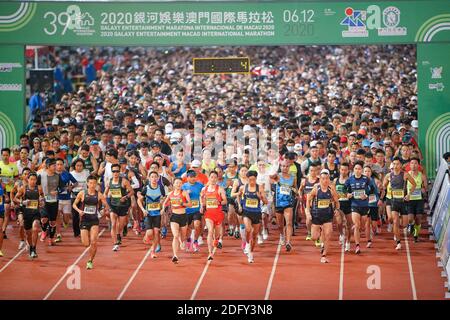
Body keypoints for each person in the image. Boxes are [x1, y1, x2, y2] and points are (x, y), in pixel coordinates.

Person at [73, 175, 110, 269]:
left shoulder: (99, 195)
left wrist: (103, 211)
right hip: (84, 220)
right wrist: (79, 211)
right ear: (87, 183)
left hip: (94, 220)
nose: (92, 185)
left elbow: (106, 206)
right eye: (90, 183)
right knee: (86, 244)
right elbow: (74, 205)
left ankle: (90, 260)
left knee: (93, 242)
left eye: (94, 183)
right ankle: (91, 249)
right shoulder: (82, 193)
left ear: (96, 184)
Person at [306, 169, 340, 263]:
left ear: (329, 179)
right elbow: (308, 200)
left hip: (328, 216)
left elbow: (337, 201)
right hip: (316, 215)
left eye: (326, 179)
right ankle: (319, 235)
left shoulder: (331, 189)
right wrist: (308, 212)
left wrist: (336, 210)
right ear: (320, 179)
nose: (325, 180)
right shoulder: (316, 189)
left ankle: (324, 254)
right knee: (314, 237)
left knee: (328, 234)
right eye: (323, 179)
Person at [381, 157, 416, 250]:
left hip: (403, 202)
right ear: (392, 165)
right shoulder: (389, 175)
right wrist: (383, 187)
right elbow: (383, 185)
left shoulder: (405, 175)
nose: (396, 166)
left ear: (401, 165)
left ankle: (404, 228)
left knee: (404, 224)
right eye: (394, 164)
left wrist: (409, 194)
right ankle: (398, 242)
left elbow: (414, 184)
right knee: (395, 221)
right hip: (393, 202)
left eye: (397, 164)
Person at [345, 161, 375, 254]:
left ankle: (357, 229)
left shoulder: (366, 179)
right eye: (356, 169)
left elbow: (372, 189)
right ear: (353, 170)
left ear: (362, 170)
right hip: (354, 205)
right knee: (357, 226)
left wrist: (366, 195)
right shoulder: (350, 179)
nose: (357, 171)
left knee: (362, 226)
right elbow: (343, 188)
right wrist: (348, 194)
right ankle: (357, 246)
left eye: (359, 169)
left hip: (364, 205)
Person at [238, 170, 268, 263]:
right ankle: (247, 244)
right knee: (248, 229)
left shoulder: (260, 188)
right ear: (247, 179)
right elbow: (238, 196)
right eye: (250, 180)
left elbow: (266, 202)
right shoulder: (243, 187)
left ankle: (251, 253)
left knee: (254, 235)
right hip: (247, 212)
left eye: (254, 180)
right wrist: (239, 205)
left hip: (256, 213)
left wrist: (261, 197)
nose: (252, 182)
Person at [104, 163, 134, 251]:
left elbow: (132, 192)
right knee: (113, 224)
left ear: (119, 171)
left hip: (123, 206)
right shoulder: (109, 181)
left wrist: (126, 197)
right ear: (112, 172)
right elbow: (105, 194)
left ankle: (118, 234)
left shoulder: (124, 181)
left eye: (117, 171)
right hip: (113, 205)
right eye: (114, 171)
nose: (115, 173)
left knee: (120, 225)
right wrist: (104, 204)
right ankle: (115, 243)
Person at [13, 172, 43, 259]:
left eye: (34, 179)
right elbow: (15, 198)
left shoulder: (39, 189)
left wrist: (41, 201)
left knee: (36, 227)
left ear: (36, 180)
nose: (33, 181)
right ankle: (31, 248)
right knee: (28, 233)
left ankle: (34, 248)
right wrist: (22, 202)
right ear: (28, 180)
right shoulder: (23, 189)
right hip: (27, 213)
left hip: (36, 213)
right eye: (31, 179)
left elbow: (42, 198)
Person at [162, 177, 191, 263]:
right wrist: (163, 209)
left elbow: (190, 204)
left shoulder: (184, 193)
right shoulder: (170, 194)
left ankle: (182, 242)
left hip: (183, 216)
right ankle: (175, 255)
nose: (178, 184)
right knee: (175, 235)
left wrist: (183, 203)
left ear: (182, 184)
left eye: (180, 183)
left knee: (183, 236)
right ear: (173, 184)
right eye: (177, 183)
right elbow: (165, 202)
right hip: (174, 216)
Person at [138, 171, 166, 258]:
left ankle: (153, 251)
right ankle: (146, 236)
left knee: (156, 232)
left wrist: (163, 208)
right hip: (148, 214)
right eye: (152, 177)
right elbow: (139, 200)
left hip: (157, 213)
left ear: (158, 179)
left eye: (155, 177)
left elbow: (164, 199)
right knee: (150, 233)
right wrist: (143, 210)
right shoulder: (146, 188)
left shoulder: (161, 188)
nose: (154, 179)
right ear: (149, 178)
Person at [271, 160, 297, 251]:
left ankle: (288, 242)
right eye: (282, 166)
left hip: (288, 203)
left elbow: (295, 188)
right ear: (280, 167)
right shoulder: (277, 176)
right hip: (278, 203)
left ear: (289, 167)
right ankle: (282, 235)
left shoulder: (293, 177)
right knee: (280, 225)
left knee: (289, 223)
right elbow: (270, 177)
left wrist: (295, 191)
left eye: (286, 166)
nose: (284, 168)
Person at [200, 171, 227, 261]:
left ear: (217, 179)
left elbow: (225, 201)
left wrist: (218, 202)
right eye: (211, 177)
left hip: (218, 214)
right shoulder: (204, 189)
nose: (213, 179)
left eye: (215, 177)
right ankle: (210, 253)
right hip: (209, 214)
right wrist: (201, 206)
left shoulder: (220, 189)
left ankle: (216, 240)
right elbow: (201, 199)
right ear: (209, 178)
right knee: (210, 231)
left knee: (217, 234)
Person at [38, 158, 64, 246]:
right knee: (44, 219)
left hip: (54, 201)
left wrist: (57, 192)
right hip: (44, 200)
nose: (55, 167)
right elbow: (36, 185)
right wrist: (40, 192)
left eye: (56, 165)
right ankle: (44, 231)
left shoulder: (57, 176)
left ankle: (51, 239)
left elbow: (62, 188)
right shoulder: (41, 175)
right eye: (54, 165)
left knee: (53, 221)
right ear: (48, 166)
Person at [55, 158, 78, 242]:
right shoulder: (52, 175)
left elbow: (76, 183)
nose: (59, 166)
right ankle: (58, 234)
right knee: (57, 216)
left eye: (61, 164)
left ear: (63, 165)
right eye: (58, 164)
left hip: (67, 199)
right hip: (56, 199)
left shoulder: (67, 174)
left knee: (66, 219)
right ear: (55, 165)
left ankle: (65, 222)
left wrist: (71, 187)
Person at [182, 170, 204, 253]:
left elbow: (203, 196)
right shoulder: (184, 186)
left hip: (196, 209)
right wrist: (185, 193)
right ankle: (188, 240)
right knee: (187, 228)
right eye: (191, 177)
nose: (193, 178)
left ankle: (195, 241)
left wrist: (202, 206)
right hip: (187, 210)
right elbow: (180, 196)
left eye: (194, 176)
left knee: (197, 224)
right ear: (187, 178)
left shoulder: (200, 185)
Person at [406, 158, 427, 242]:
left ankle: (416, 234)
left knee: (418, 218)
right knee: (410, 218)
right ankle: (410, 224)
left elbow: (425, 187)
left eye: (415, 163)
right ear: (409, 165)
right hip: (410, 199)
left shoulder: (422, 175)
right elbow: (403, 186)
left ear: (418, 165)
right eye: (412, 163)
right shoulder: (407, 175)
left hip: (419, 200)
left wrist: (424, 189)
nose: (413, 165)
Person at [0, 148, 19, 239]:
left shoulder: (14, 166)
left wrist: (12, 181)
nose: (5, 157)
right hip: (0, 192)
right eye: (3, 155)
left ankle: (3, 230)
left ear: (9, 155)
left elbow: (16, 178)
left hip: (9, 191)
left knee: (7, 211)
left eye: (7, 155)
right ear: (1, 155)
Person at [299, 162, 320, 243]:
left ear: (317, 171)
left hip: (316, 204)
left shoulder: (319, 181)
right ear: (309, 171)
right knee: (308, 219)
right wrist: (300, 196)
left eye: (315, 171)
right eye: (311, 170)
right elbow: (300, 190)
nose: (313, 172)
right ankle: (309, 233)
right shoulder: (305, 181)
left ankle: (317, 235)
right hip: (306, 203)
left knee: (316, 220)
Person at [334, 162, 352, 251]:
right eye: (342, 170)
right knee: (339, 222)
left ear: (348, 171)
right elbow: (333, 192)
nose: (343, 171)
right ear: (339, 170)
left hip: (348, 204)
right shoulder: (335, 180)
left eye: (345, 170)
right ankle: (341, 234)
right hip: (339, 204)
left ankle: (348, 242)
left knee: (349, 225)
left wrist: (349, 194)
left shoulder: (350, 181)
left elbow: (353, 192)